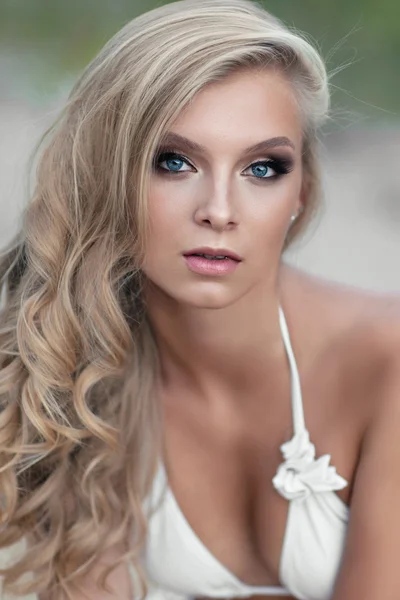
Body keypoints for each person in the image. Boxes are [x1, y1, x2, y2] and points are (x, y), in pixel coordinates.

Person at [0, 0, 399, 598]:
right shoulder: (84, 362)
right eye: (174, 161)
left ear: (301, 192)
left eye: (262, 168)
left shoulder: (385, 358)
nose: (218, 210)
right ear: (110, 176)